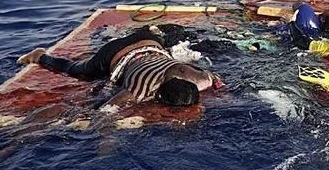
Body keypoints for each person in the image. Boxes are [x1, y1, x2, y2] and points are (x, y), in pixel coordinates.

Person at [16, 25, 219, 109]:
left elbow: (216, 80)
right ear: (157, 95)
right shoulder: (140, 90)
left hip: (149, 40)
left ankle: (152, 32)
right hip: (113, 53)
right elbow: (107, 109)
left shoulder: (202, 78)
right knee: (76, 70)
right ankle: (40, 56)